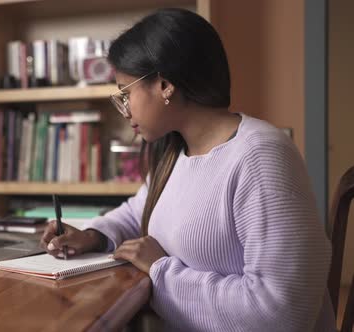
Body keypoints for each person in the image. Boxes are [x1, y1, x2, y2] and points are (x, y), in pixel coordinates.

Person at [40, 8, 334, 332]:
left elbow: (282, 313)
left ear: (165, 85)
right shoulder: (176, 153)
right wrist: (92, 236)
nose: (123, 109)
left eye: (125, 93)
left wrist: (161, 270)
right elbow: (134, 213)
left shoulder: (259, 157)